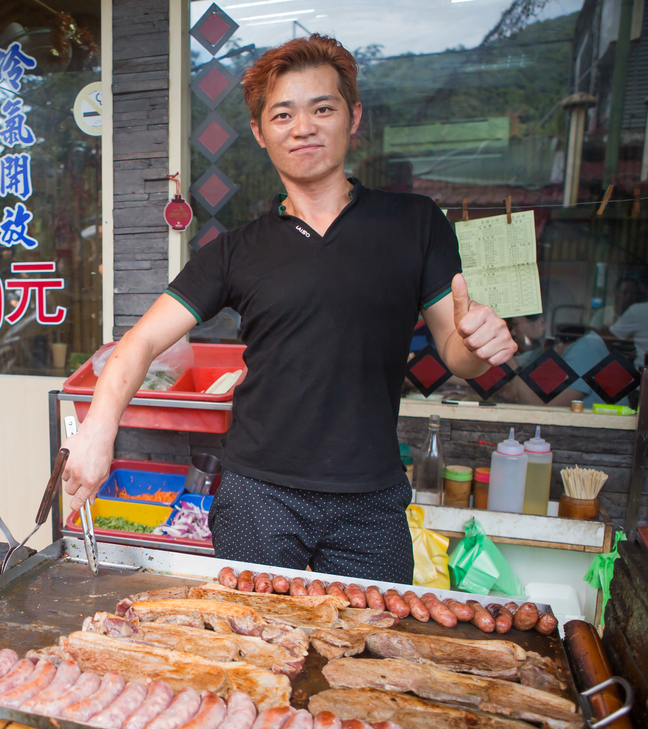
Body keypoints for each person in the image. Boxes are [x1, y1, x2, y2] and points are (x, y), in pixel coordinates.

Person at [61, 36, 515, 583]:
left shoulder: (415, 223)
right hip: (259, 494)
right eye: (283, 114)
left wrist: (475, 347)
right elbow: (140, 344)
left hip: (370, 499)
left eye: (322, 108)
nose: (303, 127)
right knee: (253, 652)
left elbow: (455, 351)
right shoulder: (235, 250)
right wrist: (97, 430)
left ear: (353, 117)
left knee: (367, 657)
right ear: (259, 132)